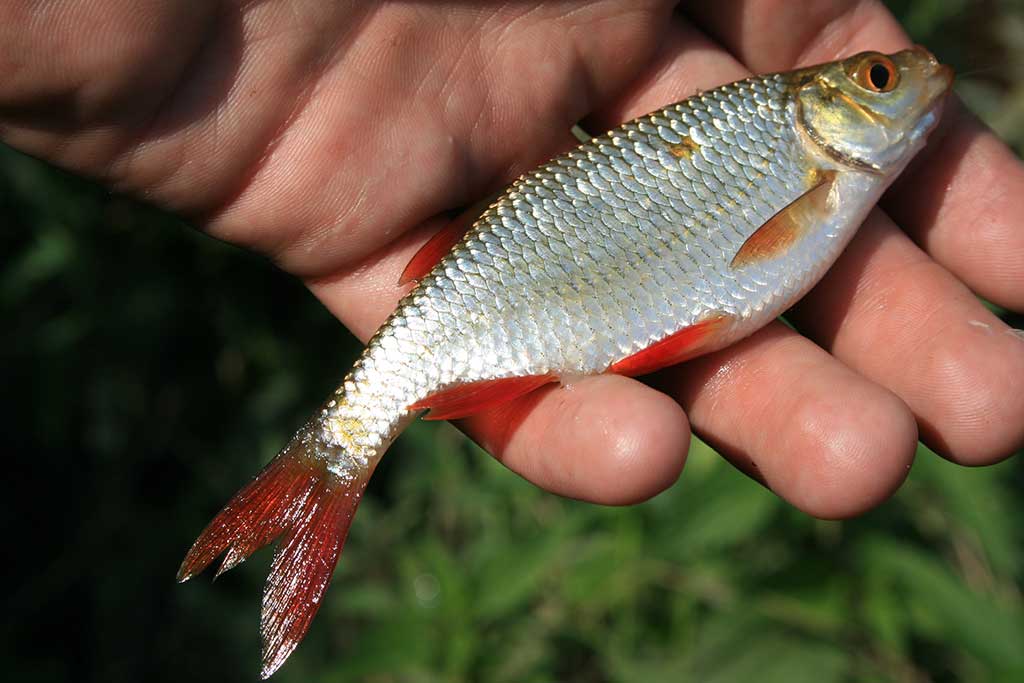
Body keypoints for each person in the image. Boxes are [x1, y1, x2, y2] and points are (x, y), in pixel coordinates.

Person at [2, 1, 1020, 518]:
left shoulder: (801, 146)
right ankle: (332, 457)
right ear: (832, 106)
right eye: (879, 76)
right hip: (496, 285)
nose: (903, 77)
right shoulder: (790, 134)